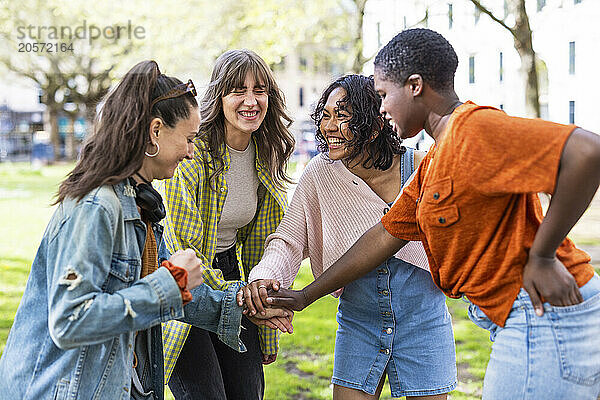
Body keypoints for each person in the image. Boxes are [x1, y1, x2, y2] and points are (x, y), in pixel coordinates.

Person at [267, 28, 600, 400]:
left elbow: (586, 152)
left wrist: (542, 255)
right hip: (519, 316)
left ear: (414, 86)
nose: (381, 110)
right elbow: (383, 236)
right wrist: (304, 296)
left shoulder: (473, 129)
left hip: (543, 308)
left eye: (382, 95)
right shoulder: (435, 163)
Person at [0, 60, 286, 400]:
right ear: (155, 132)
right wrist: (169, 284)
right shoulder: (96, 209)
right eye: (188, 139)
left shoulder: (138, 206)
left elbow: (181, 291)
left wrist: (242, 302)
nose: (191, 151)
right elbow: (70, 319)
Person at [238, 74, 457, 399]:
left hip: (423, 319)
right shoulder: (320, 173)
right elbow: (288, 240)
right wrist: (264, 277)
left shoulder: (421, 167)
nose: (328, 126)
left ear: (374, 124)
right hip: (359, 319)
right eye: (325, 115)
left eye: (342, 115)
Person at [159, 49, 295, 400]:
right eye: (238, 90)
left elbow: (260, 248)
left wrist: (264, 331)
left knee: (248, 392)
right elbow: (183, 248)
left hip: (234, 275)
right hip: (186, 280)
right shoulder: (192, 155)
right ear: (219, 96)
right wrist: (237, 297)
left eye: (259, 90)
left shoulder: (266, 153)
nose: (251, 101)